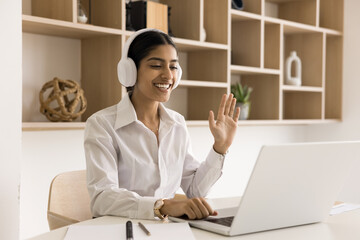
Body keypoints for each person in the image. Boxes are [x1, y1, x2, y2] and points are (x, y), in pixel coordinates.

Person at [84, 28, 240, 221]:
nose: (168, 75)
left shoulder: (177, 123)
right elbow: (102, 199)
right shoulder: (102, 125)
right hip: (123, 230)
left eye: (173, 67)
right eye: (156, 65)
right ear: (130, 71)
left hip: (165, 229)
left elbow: (194, 189)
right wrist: (162, 206)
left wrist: (220, 147)